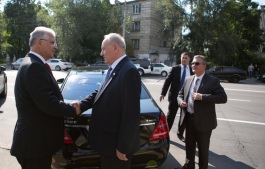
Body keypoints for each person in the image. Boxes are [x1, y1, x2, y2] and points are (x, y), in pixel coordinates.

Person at [10, 26, 81, 169]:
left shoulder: (33, 63)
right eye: (52, 42)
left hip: (35, 144)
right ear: (39, 42)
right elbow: (48, 104)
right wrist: (73, 110)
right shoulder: (33, 67)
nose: (55, 47)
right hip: (34, 146)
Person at [75, 33, 141, 169]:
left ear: (115, 48)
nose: (101, 53)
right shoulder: (115, 69)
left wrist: (123, 147)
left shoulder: (128, 71)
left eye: (103, 49)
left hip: (116, 148)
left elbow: (131, 114)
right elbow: (100, 92)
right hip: (108, 145)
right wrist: (81, 105)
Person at [177, 55, 227, 169]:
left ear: (204, 66)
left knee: (203, 151)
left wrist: (203, 97)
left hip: (204, 123)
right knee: (189, 148)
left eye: (197, 63)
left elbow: (223, 98)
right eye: (193, 63)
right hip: (189, 120)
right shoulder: (188, 79)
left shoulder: (212, 81)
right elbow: (180, 94)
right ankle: (189, 166)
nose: (194, 65)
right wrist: (180, 102)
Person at [160, 52, 193, 142]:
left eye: (186, 58)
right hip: (174, 97)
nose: (184, 59)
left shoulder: (192, 69)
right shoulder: (175, 68)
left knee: (183, 117)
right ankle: (165, 134)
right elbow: (168, 81)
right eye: (183, 57)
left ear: (189, 59)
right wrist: (163, 93)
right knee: (170, 116)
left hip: (186, 98)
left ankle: (180, 134)